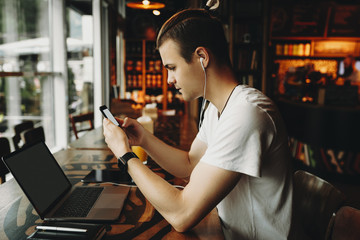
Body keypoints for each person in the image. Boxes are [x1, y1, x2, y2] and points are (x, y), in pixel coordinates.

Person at [103, 2, 294, 239]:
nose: (169, 80)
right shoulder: (218, 108)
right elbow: (190, 164)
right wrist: (143, 138)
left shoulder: (247, 113)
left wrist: (125, 156)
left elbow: (182, 215)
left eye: (172, 68)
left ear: (202, 57)